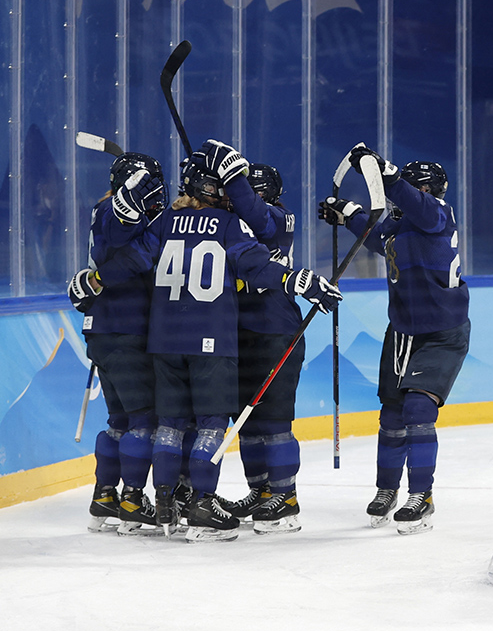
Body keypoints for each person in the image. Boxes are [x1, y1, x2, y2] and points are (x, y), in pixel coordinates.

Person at [69, 149, 341, 542]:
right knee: (212, 425)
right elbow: (256, 262)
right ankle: (200, 504)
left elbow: (133, 258)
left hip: (164, 341)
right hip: (214, 340)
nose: (239, 195)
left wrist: (96, 282)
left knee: (171, 424)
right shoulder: (231, 223)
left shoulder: (165, 222)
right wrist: (297, 279)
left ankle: (166, 501)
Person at [318, 148, 469, 534]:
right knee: (392, 415)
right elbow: (374, 234)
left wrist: (388, 176)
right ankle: (387, 490)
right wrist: (346, 211)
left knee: (419, 409)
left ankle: (422, 495)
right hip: (402, 330)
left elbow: (414, 203)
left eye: (412, 189)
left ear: (431, 191)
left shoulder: (438, 215)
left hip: (441, 331)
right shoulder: (400, 226)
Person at [199, 143, 305, 534]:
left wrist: (232, 179)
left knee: (274, 421)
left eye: (255, 192)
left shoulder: (278, 219)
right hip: (237, 333)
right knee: (247, 421)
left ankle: (286, 497)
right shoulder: (229, 222)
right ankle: (261, 492)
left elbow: (258, 218)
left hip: (276, 332)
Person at [76, 153, 167, 535]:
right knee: (143, 421)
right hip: (127, 334)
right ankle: (131, 498)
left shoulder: (102, 211)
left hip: (103, 331)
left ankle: (104, 497)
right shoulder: (115, 215)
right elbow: (131, 245)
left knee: (119, 422)